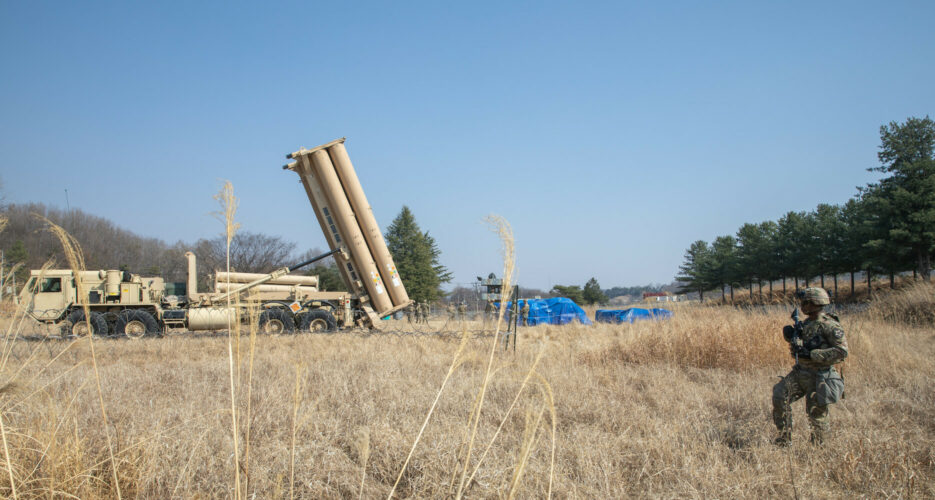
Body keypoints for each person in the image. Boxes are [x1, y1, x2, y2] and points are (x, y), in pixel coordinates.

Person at [772, 287, 847, 446]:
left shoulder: (830, 325)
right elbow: (801, 347)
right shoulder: (805, 324)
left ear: (814, 303)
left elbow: (841, 352)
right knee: (779, 396)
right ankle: (784, 439)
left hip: (820, 376)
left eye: (805, 303)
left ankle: (819, 450)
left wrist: (813, 354)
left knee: (816, 415)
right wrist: (792, 338)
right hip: (801, 373)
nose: (803, 306)